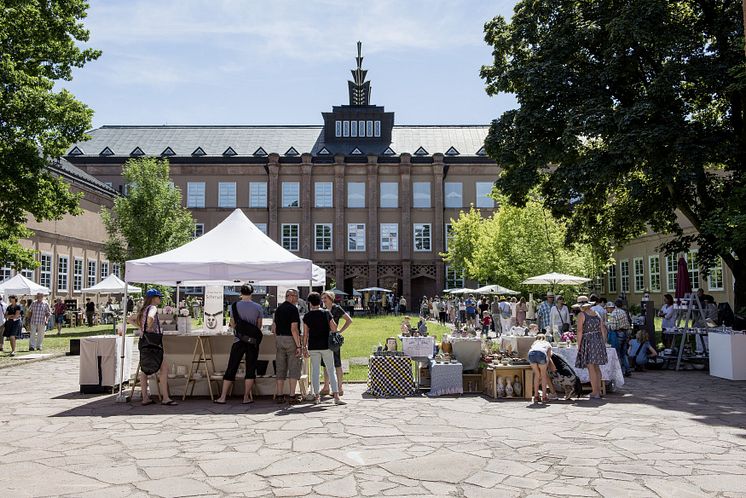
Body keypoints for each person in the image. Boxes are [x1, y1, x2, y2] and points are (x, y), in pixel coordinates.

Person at [215, 285, 263, 405]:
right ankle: (246, 397)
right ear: (252, 293)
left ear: (240, 293)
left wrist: (240, 330)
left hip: (238, 340)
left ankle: (223, 397)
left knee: (232, 367)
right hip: (252, 342)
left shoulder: (234, 306)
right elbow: (259, 326)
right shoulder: (258, 307)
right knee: (250, 368)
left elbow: (232, 323)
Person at [129, 289, 177, 406]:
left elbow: (129, 319)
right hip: (154, 342)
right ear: (153, 298)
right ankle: (165, 397)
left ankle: (145, 398)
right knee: (164, 368)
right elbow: (150, 318)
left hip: (143, 341)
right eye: (159, 297)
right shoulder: (153, 308)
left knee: (144, 369)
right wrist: (149, 327)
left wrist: (142, 328)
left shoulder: (143, 309)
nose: (160, 299)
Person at [303, 292, 344, 405]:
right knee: (331, 370)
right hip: (326, 345)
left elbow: (305, 334)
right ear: (320, 301)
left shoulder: (307, 316)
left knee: (315, 371)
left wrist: (304, 347)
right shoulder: (326, 313)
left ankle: (317, 397)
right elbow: (334, 328)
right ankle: (336, 396)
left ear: (310, 303)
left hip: (313, 346)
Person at [271, 288, 302, 404]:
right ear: (291, 296)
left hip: (279, 339)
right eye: (296, 296)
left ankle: (279, 395)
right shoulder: (293, 309)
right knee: (294, 367)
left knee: (280, 368)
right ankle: (292, 396)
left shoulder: (278, 309)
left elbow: (273, 328)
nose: (297, 298)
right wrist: (298, 346)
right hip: (290, 340)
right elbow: (294, 329)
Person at [320, 290, 353, 397]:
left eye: (325, 298)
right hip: (324, 338)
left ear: (331, 298)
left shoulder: (336, 308)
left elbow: (349, 320)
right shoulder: (322, 309)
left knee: (337, 363)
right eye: (322, 298)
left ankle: (339, 387)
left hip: (333, 339)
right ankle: (326, 386)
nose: (323, 300)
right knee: (325, 364)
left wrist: (340, 331)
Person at [575, 299, 608, 400]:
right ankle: (598, 391)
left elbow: (579, 331)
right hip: (598, 341)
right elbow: (603, 329)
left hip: (588, 341)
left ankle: (595, 392)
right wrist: (603, 342)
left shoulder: (582, 315)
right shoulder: (596, 313)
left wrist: (578, 345)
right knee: (596, 367)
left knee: (591, 367)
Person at [528, 334, 558, 403]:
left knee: (537, 375)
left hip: (531, 354)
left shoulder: (534, 343)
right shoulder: (547, 343)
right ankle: (544, 397)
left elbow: (532, 350)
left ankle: (536, 396)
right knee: (543, 376)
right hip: (541, 354)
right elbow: (549, 356)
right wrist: (545, 366)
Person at [606, 301, 631, 376]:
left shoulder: (614, 314)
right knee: (624, 353)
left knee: (617, 353)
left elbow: (613, 327)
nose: (607, 310)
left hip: (618, 334)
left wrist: (607, 325)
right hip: (625, 332)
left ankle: (619, 371)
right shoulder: (623, 311)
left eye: (607, 308)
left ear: (611, 308)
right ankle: (628, 369)